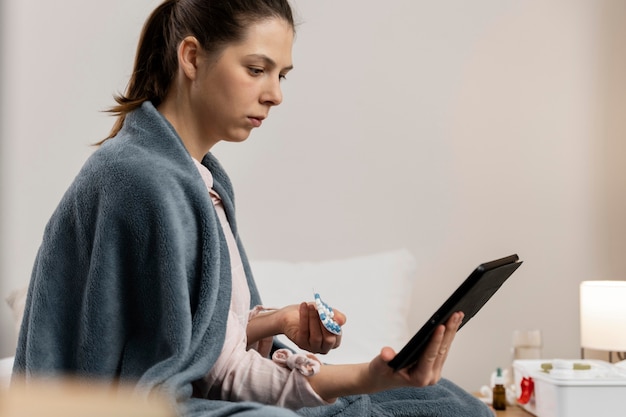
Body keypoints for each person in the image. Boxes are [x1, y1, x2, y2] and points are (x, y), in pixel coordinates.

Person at [12, 1, 493, 416]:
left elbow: (195, 336)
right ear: (193, 57)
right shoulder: (142, 179)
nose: (275, 94)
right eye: (257, 69)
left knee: (448, 403)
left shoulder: (199, 179)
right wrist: (366, 377)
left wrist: (275, 322)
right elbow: (207, 375)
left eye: (281, 75)